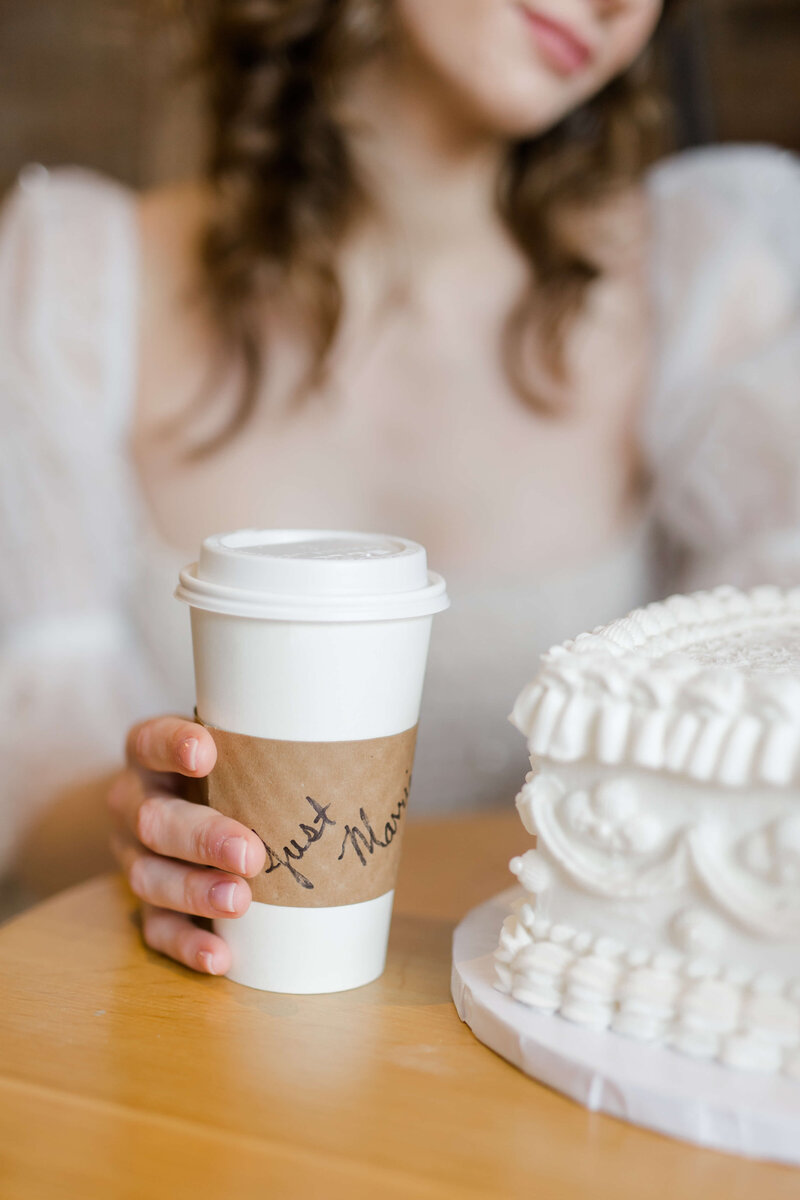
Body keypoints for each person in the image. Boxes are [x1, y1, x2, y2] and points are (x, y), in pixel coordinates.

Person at [2, 1, 799, 974]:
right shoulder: (74, 286)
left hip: (541, 1053)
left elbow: (769, 726)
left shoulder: (705, 284)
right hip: (172, 1038)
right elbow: (30, 769)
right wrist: (139, 828)